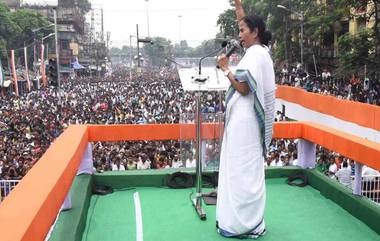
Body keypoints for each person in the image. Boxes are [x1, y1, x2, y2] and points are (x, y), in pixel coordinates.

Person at [215, 0, 275, 238]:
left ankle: (244, 225)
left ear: (255, 32)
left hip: (246, 126)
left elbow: (243, 88)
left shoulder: (255, 56)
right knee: (241, 172)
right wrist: (238, 6)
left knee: (242, 173)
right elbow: (245, 21)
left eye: (242, 31)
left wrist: (226, 69)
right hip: (244, 125)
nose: (239, 35)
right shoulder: (259, 52)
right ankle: (240, 223)